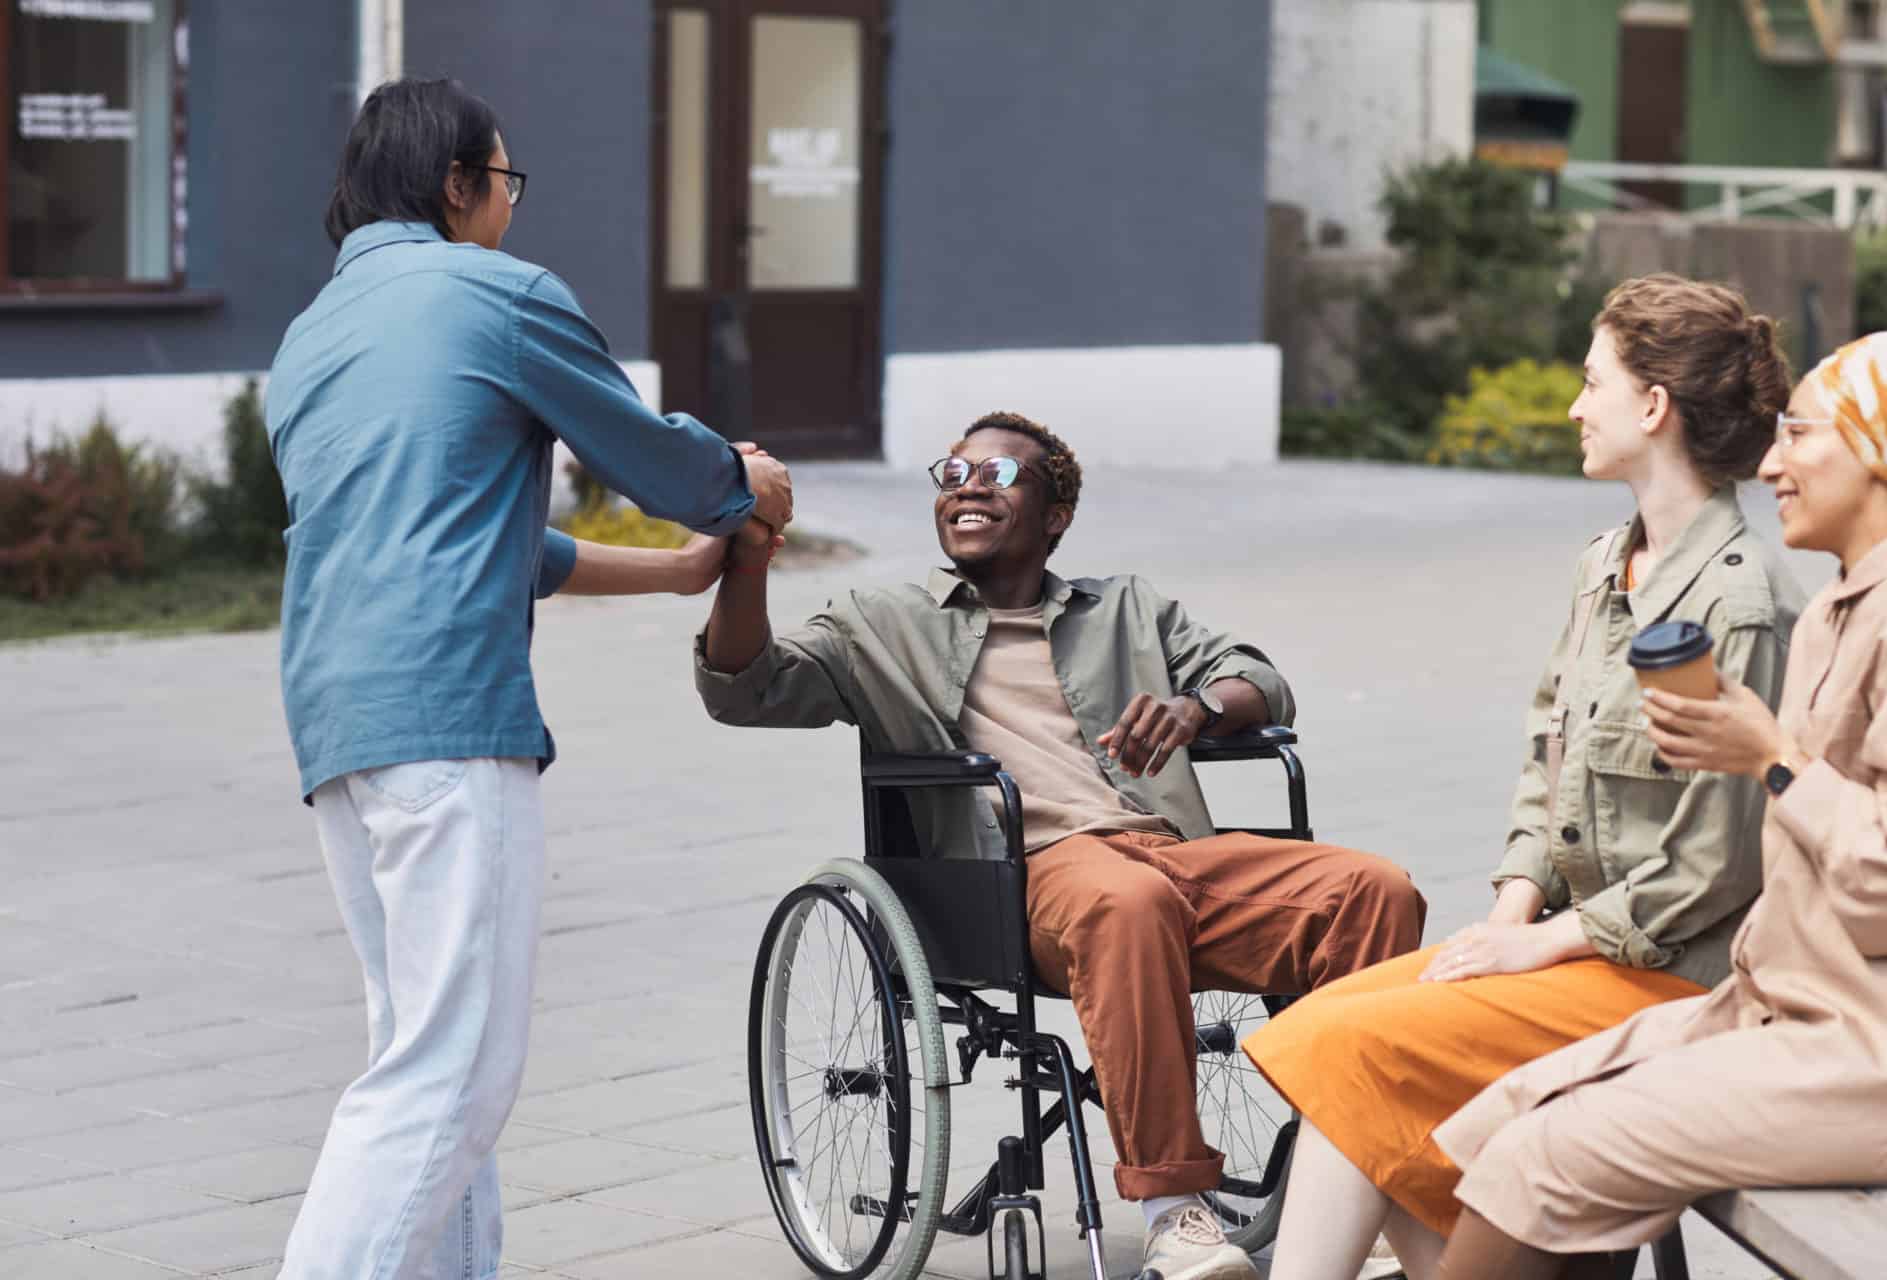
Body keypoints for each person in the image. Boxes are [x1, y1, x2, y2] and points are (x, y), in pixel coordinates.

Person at [697, 410, 1426, 1280]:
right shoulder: (879, 620)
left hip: (1166, 846)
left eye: (1000, 476)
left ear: (1055, 516)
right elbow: (747, 689)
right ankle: (1174, 1210)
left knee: (1376, 890)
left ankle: (1351, 1183)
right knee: (1129, 902)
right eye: (953, 473)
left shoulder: (1127, 610)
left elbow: (1260, 678)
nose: (968, 485)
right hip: (1020, 875)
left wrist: (1197, 709)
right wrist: (748, 559)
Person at [267, 79, 791, 1280]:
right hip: (449, 718)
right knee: (449, 1079)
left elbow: (487, 538)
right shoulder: (497, 296)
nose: (509, 206)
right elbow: (662, 460)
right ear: (456, 185)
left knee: (420, 1055)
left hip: (339, 730)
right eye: (504, 181)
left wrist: (670, 581)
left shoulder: (314, 335)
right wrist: (745, 482)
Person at [1239, 275, 1804, 1280]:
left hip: (1676, 975)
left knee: (1358, 1050)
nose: (1574, 407)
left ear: (1653, 406)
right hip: (1579, 948)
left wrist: (1534, 945)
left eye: (1592, 383)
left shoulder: (1740, 602)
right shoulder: (1605, 564)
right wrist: (1507, 916)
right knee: (1330, 1032)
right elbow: (1550, 761)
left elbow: (1714, 864)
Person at [1427, 330, 1887, 1279]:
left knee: (1541, 1155)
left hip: (1875, 1052)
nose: (1770, 462)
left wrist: (1770, 757)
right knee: (1495, 1122)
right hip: (1782, 1008)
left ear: (1881, 448)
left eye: (1801, 436)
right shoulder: (1838, 605)